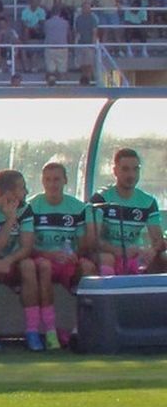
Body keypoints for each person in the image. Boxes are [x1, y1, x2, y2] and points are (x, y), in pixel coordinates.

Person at [28, 161, 94, 347]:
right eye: (48, 180)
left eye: (56, 179)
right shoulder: (31, 207)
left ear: (65, 181)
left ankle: (79, 329)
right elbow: (26, 246)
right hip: (43, 259)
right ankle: (50, 332)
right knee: (44, 266)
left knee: (88, 267)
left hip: (67, 260)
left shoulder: (78, 207)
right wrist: (49, 254)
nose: (52, 184)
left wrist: (73, 254)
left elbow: (83, 245)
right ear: (42, 182)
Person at [0, 169, 37, 352]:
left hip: (13, 262)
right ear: (9, 193)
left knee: (29, 266)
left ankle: (33, 331)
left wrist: (9, 260)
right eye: (22, 188)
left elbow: (27, 247)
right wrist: (10, 219)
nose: (26, 192)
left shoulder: (25, 209)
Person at [87, 148, 163, 276]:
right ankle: (110, 295)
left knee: (160, 258)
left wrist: (152, 251)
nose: (131, 175)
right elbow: (92, 241)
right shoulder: (100, 199)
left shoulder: (148, 202)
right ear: (115, 171)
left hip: (133, 255)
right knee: (107, 259)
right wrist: (120, 251)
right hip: (107, 254)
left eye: (135, 169)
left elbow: (158, 240)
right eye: (125, 169)